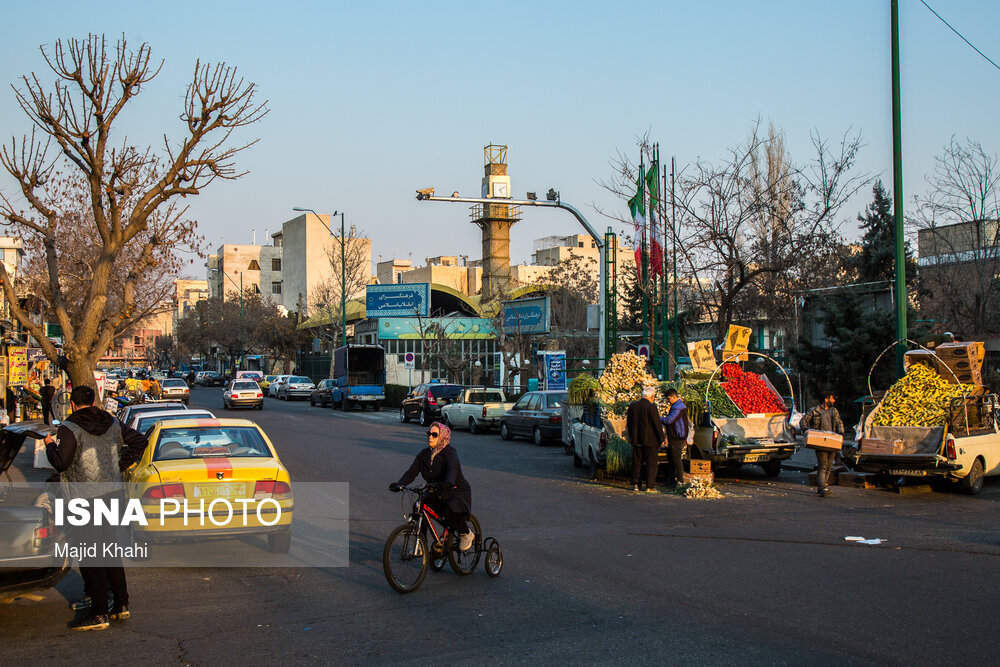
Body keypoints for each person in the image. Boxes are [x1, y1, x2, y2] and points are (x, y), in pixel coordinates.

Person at [43, 385, 149, 631]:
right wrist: (120, 465)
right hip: (112, 495)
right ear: (93, 401)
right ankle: (121, 605)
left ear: (72, 404)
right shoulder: (112, 423)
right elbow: (139, 441)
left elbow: (61, 462)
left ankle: (99, 611)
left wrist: (50, 444)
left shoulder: (70, 428)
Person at [389, 422, 475, 551]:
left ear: (442, 437)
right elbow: (411, 472)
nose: (430, 437)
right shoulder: (425, 454)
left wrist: (447, 482)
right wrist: (399, 484)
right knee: (419, 506)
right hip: (437, 490)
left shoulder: (449, 453)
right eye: (429, 434)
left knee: (449, 511)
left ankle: (466, 533)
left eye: (435, 435)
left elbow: (453, 469)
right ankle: (420, 544)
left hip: (455, 490)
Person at [800, 392, 845, 498]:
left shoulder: (834, 411)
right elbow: (803, 421)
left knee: (829, 466)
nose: (834, 401)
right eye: (832, 399)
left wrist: (841, 434)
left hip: (832, 440)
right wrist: (805, 430)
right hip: (820, 440)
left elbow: (839, 422)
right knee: (823, 465)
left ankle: (824, 485)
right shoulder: (815, 411)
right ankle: (821, 487)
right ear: (826, 399)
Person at [626, 385, 665, 493]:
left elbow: (629, 423)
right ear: (652, 396)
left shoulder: (633, 406)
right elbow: (657, 424)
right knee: (651, 463)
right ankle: (649, 486)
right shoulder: (651, 407)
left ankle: (636, 484)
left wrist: (631, 436)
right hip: (650, 441)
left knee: (637, 462)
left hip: (636, 439)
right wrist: (661, 438)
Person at [661, 388, 690, 486]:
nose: (668, 401)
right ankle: (671, 479)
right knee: (671, 457)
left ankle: (680, 481)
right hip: (675, 436)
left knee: (676, 459)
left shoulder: (678, 408)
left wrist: (657, 417)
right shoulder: (677, 406)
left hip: (678, 437)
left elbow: (669, 420)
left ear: (674, 396)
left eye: (669, 399)